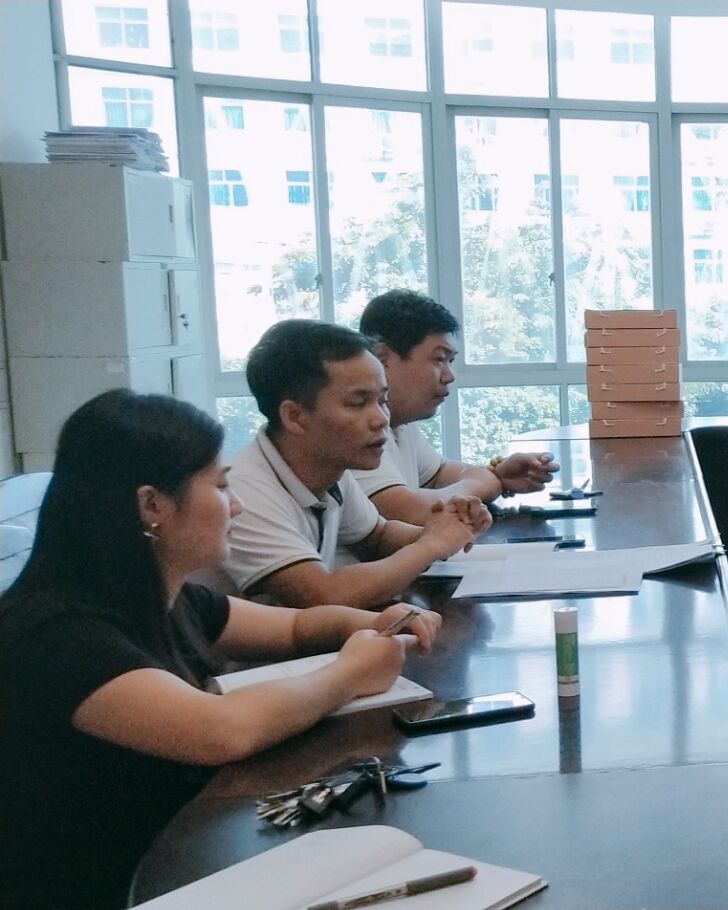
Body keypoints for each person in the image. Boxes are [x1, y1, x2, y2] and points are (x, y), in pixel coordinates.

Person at [0, 390, 441, 910]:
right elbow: (222, 730)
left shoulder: (163, 596)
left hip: (176, 860)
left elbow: (296, 628)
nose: (236, 504)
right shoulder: (58, 633)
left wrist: (374, 623)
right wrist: (350, 673)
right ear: (152, 505)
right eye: (220, 485)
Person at [224, 319, 487, 609]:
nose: (381, 419)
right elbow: (324, 596)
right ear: (294, 417)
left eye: (382, 401)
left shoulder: (329, 466)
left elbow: (377, 538)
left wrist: (445, 528)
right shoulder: (244, 493)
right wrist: (431, 545)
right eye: (358, 403)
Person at [355, 289, 555, 525]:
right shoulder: (355, 428)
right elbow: (410, 511)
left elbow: (438, 475)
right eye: (439, 359)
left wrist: (497, 476)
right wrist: (485, 483)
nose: (449, 376)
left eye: (450, 361)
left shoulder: (400, 423)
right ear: (382, 358)